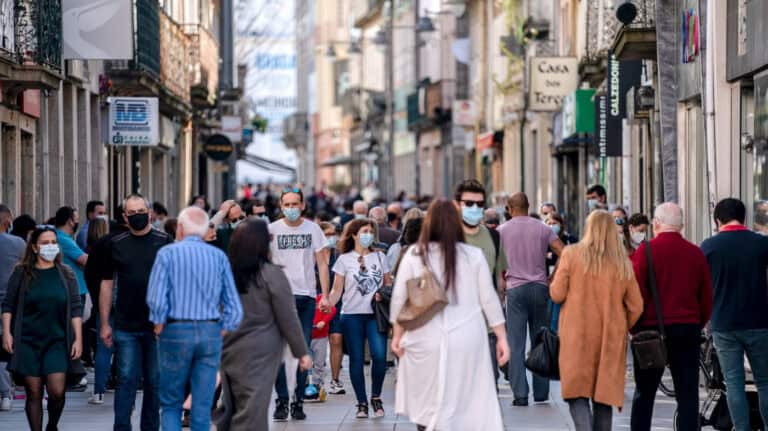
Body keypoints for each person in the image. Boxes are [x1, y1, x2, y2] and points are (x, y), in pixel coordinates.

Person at [390, 199, 510, 430]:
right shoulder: (473, 256)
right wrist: (502, 337)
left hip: (424, 338)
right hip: (467, 337)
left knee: (427, 401)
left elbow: (399, 299)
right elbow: (489, 299)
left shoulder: (415, 254)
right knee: (464, 401)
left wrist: (397, 335)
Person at [146, 206, 243, 431]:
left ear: (180, 228)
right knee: (201, 405)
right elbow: (234, 306)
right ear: (203, 229)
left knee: (171, 403)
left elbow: (156, 298)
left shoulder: (167, 254)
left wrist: (159, 324)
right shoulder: (218, 256)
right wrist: (222, 329)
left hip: (175, 330)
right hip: (209, 331)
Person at [550, 210, 644, 431]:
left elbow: (557, 294)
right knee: (603, 397)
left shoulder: (571, 254)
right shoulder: (621, 262)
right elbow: (636, 305)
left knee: (577, 394)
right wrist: (622, 324)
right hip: (610, 339)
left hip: (576, 337)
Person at [215, 219, 311, 431]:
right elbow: (288, 316)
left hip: (228, 347)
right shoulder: (271, 274)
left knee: (232, 404)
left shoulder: (225, 273)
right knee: (253, 407)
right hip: (261, 350)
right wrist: (301, 352)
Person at [630, 202, 713, 431]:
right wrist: (698, 322)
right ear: (682, 226)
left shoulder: (644, 252)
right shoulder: (695, 253)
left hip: (650, 331)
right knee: (688, 395)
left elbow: (635, 293)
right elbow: (706, 297)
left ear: (656, 224)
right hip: (687, 329)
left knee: (644, 393)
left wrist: (634, 328)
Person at [98, 194, 173, 430]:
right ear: (125, 217)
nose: (138, 216)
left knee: (155, 382)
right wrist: (104, 323)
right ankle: (121, 427)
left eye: (141, 210)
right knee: (126, 381)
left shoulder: (165, 241)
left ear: (150, 212)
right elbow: (107, 284)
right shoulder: (116, 244)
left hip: (157, 326)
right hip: (125, 325)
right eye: (132, 213)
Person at [2, 226, 84, 431]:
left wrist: (78, 339)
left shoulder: (66, 274)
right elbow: (8, 305)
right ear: (35, 248)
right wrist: (7, 333)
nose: (51, 247)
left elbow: (75, 308)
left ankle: (52, 426)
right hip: (28, 341)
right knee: (34, 391)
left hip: (57, 340)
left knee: (57, 391)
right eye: (45, 243)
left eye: (53, 243)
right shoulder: (21, 273)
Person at [701, 198, 768, 430]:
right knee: (765, 382)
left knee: (734, 383)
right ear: (745, 218)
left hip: (724, 323)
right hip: (759, 321)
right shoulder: (761, 244)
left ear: (717, 220)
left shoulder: (709, 247)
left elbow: (701, 286)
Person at [269, 188, 330, 421]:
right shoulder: (272, 230)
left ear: (303, 205)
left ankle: (298, 400)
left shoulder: (313, 229)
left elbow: (322, 264)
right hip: (279, 298)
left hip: (305, 298)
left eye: (296, 204)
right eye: (287, 204)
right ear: (281, 205)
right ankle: (282, 400)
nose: (291, 208)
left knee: (302, 350)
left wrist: (324, 295)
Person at [498, 192, 564, 406]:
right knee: (541, 340)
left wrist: (501, 287)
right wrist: (553, 276)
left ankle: (520, 394)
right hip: (539, 288)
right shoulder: (543, 228)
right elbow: (564, 252)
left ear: (510, 208)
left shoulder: (501, 231)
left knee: (516, 344)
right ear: (528, 207)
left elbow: (497, 264)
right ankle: (542, 392)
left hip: (515, 289)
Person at [325, 219, 392, 419]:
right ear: (354, 234)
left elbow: (388, 284)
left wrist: (383, 293)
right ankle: (362, 402)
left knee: (379, 356)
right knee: (356, 359)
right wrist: (328, 302)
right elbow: (338, 289)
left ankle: (376, 397)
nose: (368, 235)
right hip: (351, 315)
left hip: (375, 315)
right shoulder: (344, 259)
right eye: (364, 231)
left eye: (371, 232)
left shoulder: (380, 257)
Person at [452, 180, 507, 386]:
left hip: (487, 326)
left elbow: (500, 280)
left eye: (479, 204)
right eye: (469, 203)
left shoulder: (493, 236)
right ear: (457, 204)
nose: (474, 208)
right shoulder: (447, 236)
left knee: (489, 383)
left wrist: (501, 331)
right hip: (455, 326)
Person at [83, 217, 112, 405]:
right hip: (119, 303)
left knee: (103, 348)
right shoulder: (114, 247)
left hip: (99, 303)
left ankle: (99, 391)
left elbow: (89, 276)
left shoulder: (92, 252)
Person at [0, 204, 25, 411]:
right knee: (5, 347)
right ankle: (6, 393)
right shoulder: (18, 243)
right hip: (11, 301)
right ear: (7, 221)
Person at [319, 222, 346, 396]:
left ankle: (335, 379)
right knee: (317, 344)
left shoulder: (339, 256)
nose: (331, 237)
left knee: (336, 339)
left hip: (337, 304)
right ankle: (315, 379)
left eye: (333, 234)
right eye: (327, 234)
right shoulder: (312, 256)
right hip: (315, 305)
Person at [54, 207, 88, 310]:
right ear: (70, 222)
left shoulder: (61, 237)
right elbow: (85, 260)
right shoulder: (63, 239)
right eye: (77, 219)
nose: (78, 222)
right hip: (73, 290)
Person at [305, 293, 336, 402]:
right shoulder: (303, 300)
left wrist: (324, 321)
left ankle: (317, 384)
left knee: (319, 362)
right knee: (306, 362)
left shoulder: (321, 298)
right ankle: (305, 384)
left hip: (320, 337)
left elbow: (332, 309)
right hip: (307, 336)